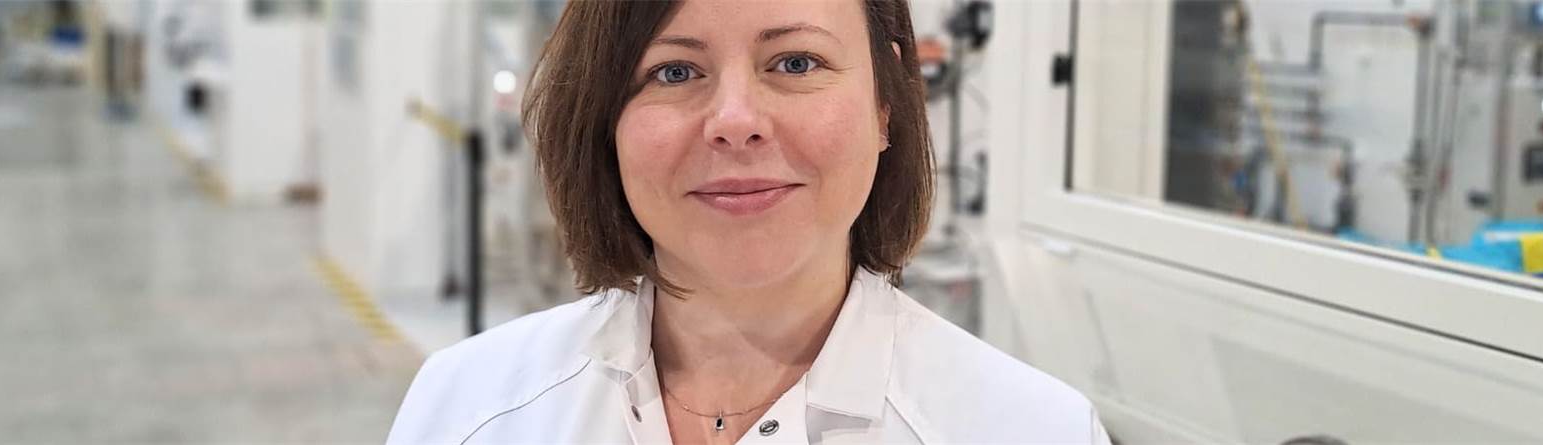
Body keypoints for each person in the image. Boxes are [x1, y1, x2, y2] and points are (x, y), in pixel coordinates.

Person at [388, 0, 1108, 443]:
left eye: (795, 62)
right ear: (604, 121)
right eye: (674, 71)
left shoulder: (1032, 429)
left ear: (885, 104)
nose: (735, 121)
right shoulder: (471, 409)